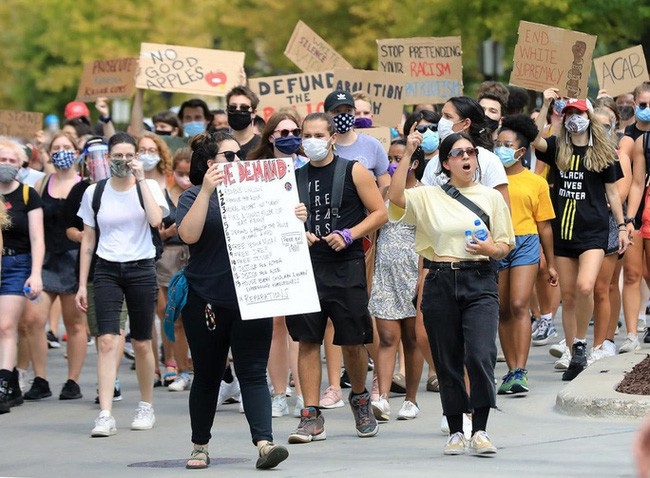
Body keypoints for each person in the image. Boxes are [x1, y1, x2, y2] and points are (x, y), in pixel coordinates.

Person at [389, 130, 514, 455]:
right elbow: (396, 196)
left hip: (480, 279)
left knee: (480, 354)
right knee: (447, 360)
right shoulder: (429, 195)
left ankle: (482, 429)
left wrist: (490, 247)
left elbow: (504, 244)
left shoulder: (491, 197)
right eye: (458, 153)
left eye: (470, 152)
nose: (466, 158)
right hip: (440, 279)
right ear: (445, 162)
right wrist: (408, 154)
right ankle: (456, 429)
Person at [176, 130, 291, 470]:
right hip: (206, 299)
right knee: (208, 375)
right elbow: (188, 234)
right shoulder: (193, 195)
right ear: (211, 164)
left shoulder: (256, 191)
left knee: (253, 372)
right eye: (229, 157)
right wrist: (208, 190)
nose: (238, 162)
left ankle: (265, 444)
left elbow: (280, 234)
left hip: (251, 296)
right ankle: (200, 446)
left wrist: (293, 214)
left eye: (239, 155)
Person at [285, 112, 387, 443]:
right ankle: (310, 415)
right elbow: (279, 224)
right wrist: (296, 226)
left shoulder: (353, 169)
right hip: (307, 267)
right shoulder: (293, 178)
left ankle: (360, 399)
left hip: (345, 266)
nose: (311, 140)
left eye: (318, 134)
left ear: (331, 137)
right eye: (306, 135)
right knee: (308, 339)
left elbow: (380, 213)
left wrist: (349, 234)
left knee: (353, 340)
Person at [75, 132, 168, 437]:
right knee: (106, 339)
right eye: (118, 156)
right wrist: (81, 284)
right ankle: (105, 413)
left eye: (130, 155)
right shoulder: (95, 192)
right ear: (108, 158)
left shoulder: (149, 186)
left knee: (141, 341)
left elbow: (157, 221)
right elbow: (88, 239)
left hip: (141, 267)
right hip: (107, 269)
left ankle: (146, 405)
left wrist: (141, 179)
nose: (124, 161)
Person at [533, 92, 631, 380]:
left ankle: (580, 343)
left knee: (585, 287)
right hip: (564, 232)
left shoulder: (603, 153)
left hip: (594, 230)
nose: (575, 118)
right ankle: (576, 346)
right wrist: (545, 106)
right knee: (568, 295)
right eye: (569, 114)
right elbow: (533, 139)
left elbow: (613, 194)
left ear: (589, 117)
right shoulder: (555, 147)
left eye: (580, 113)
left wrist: (623, 226)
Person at [493, 115, 557, 394]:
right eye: (498, 144)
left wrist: (551, 264)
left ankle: (521, 369)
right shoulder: (487, 180)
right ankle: (510, 370)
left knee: (519, 304)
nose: (501, 149)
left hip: (526, 243)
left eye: (507, 144)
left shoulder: (536, 183)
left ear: (521, 151)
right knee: (502, 308)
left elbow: (545, 226)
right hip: (497, 244)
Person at [248, 110, 306, 417]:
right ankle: (279, 393)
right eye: (283, 132)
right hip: (267, 251)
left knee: (298, 326)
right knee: (275, 325)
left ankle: (301, 391)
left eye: (295, 131)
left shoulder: (308, 166)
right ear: (270, 136)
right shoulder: (253, 169)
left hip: (302, 249)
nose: (290, 136)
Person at [21, 132, 86, 401]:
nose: (62, 152)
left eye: (67, 147)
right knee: (33, 320)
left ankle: (73, 380)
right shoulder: (40, 184)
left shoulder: (87, 185)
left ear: (76, 151)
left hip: (74, 260)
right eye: (57, 147)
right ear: (48, 153)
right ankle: (40, 378)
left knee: (76, 323)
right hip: (45, 260)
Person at [369, 139, 425, 421]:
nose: (393, 162)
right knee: (388, 336)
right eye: (390, 157)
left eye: (399, 157)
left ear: (414, 162)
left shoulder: (425, 194)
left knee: (412, 338)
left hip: (413, 272)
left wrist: (423, 273)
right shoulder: (382, 191)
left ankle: (411, 399)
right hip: (385, 272)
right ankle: (381, 397)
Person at [0, 139, 44, 414]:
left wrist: (36, 273)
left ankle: (3, 384)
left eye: (11, 160)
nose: (5, 164)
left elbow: (37, 238)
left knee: (6, 326)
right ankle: (13, 381)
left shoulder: (28, 195)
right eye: (2, 159)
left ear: (21, 165)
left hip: (17, 264)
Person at [159, 148, 192, 392]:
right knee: (174, 316)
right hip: (169, 257)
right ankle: (182, 370)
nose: (185, 179)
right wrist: (166, 233)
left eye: (189, 174)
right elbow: (153, 230)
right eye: (180, 173)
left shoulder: (202, 193)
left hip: (196, 256)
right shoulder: (162, 197)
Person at [226, 86, 261, 159]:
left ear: (254, 113)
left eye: (244, 108)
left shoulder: (263, 146)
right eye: (233, 107)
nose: (238, 110)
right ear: (227, 110)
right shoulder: (218, 147)